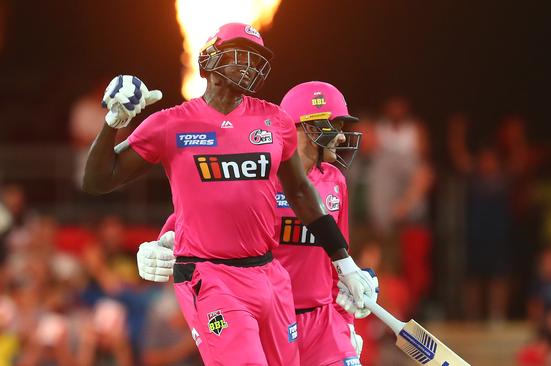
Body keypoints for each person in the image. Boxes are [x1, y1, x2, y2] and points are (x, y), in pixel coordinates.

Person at [82, 22, 373, 365]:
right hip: (211, 276)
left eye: (256, 57)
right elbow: (97, 180)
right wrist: (113, 124)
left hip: (268, 276)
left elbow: (299, 192)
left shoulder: (275, 121)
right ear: (209, 63)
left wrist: (345, 262)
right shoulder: (171, 124)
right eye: (240, 54)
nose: (250, 64)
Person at [140, 81, 378, 365]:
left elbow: (337, 263)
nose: (341, 138)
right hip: (269, 320)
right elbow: (193, 217)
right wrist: (158, 243)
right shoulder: (257, 173)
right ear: (308, 127)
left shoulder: (335, 181)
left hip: (322, 324)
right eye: (335, 126)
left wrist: (347, 323)